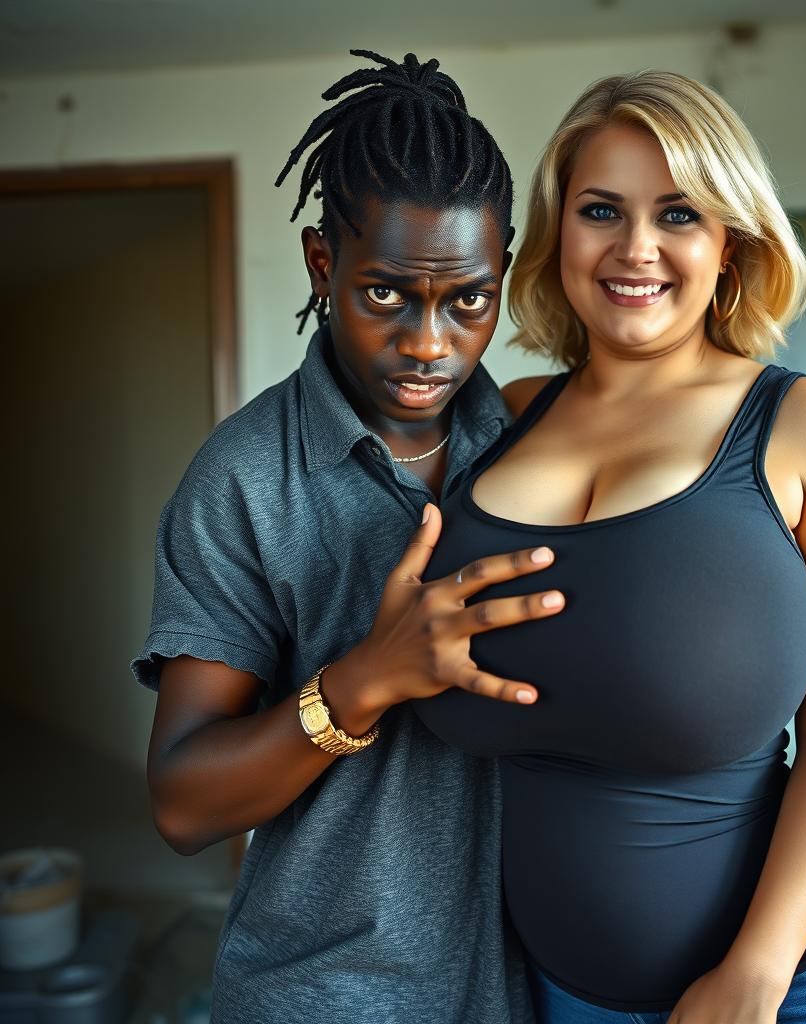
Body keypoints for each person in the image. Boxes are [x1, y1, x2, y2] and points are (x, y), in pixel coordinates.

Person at [412, 71, 806, 1023]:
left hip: (797, 983)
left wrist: (755, 975)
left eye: (678, 213)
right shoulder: (504, 422)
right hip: (561, 988)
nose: (635, 247)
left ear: (730, 243)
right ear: (560, 231)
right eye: (601, 209)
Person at [131, 50, 564, 1024]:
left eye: (468, 299)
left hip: (541, 986)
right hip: (330, 995)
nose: (427, 342)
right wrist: (363, 680)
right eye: (386, 296)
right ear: (323, 265)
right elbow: (183, 803)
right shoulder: (241, 482)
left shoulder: (541, 444)